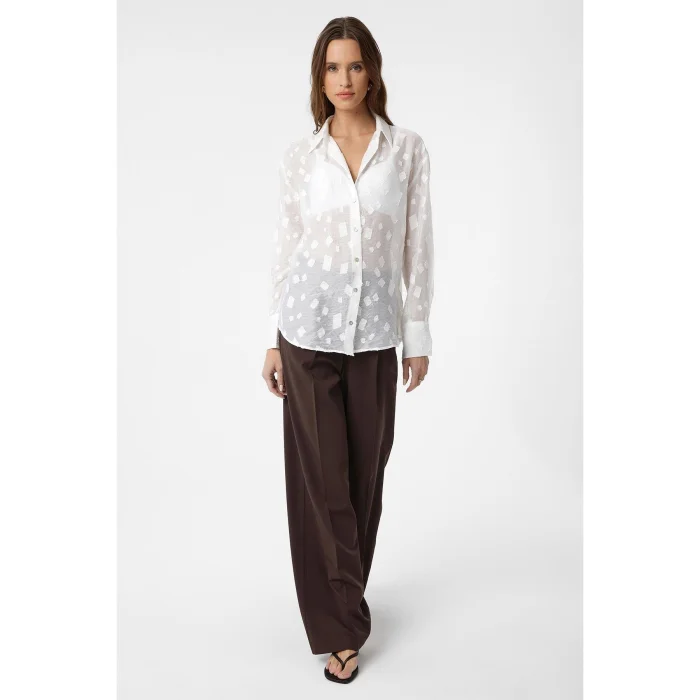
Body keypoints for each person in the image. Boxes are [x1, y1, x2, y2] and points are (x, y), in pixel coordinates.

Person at [261, 16, 434, 684]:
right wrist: (272, 338)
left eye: (354, 66)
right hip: (306, 332)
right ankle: (341, 628)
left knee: (365, 478)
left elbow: (418, 246)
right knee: (325, 480)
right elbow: (286, 248)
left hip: (376, 335)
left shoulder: (407, 150)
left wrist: (417, 334)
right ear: (320, 76)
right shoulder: (301, 158)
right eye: (332, 67)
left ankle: (341, 596)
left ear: (372, 71)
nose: (344, 79)